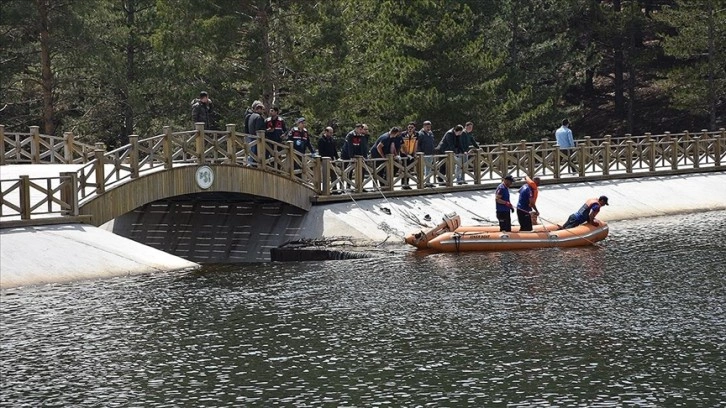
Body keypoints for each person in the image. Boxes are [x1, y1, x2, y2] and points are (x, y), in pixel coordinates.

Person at [244, 100, 266, 165]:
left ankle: (250, 164)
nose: (262, 110)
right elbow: (258, 130)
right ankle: (254, 165)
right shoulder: (258, 117)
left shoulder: (250, 116)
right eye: (261, 109)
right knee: (255, 154)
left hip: (250, 137)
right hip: (256, 139)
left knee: (251, 154)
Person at [417, 120, 436, 187]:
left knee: (429, 168)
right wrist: (420, 152)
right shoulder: (420, 134)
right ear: (424, 126)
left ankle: (428, 181)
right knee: (423, 168)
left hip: (430, 153)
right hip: (423, 154)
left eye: (429, 126)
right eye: (427, 126)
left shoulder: (431, 133)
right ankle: (422, 182)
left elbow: (432, 142)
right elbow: (418, 144)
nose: (428, 128)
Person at [400, 122, 418, 189]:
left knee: (409, 169)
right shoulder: (403, 134)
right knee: (404, 169)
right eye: (409, 127)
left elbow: (416, 144)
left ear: (414, 128)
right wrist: (405, 154)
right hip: (404, 155)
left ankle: (407, 183)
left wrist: (415, 153)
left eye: (411, 127)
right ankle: (403, 184)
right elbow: (401, 145)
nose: (410, 129)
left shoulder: (416, 134)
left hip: (411, 154)